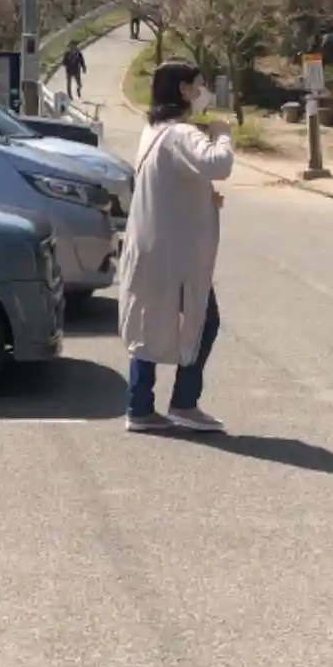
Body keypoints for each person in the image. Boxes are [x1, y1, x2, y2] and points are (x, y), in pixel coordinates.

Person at [119, 59, 235, 433]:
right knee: (203, 322)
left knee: (148, 324)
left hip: (153, 247)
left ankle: (140, 406)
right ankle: (183, 403)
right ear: (184, 90)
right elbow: (218, 164)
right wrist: (222, 134)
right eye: (200, 85)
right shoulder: (181, 133)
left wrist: (203, 197)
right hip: (176, 255)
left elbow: (170, 181)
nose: (204, 93)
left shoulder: (154, 130)